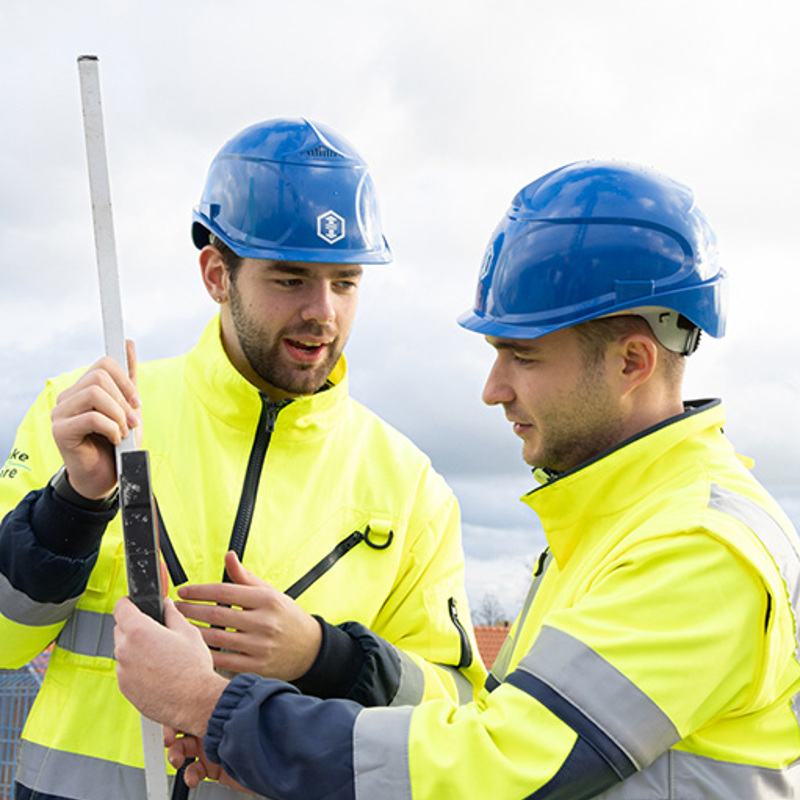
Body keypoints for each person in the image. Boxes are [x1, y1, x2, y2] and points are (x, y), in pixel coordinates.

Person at [115, 160, 800, 799]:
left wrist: (211, 707)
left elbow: (492, 766)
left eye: (521, 355)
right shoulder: (614, 525)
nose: (492, 389)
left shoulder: (700, 545)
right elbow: (481, 727)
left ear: (632, 363)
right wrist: (288, 725)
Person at [0, 117, 484, 800]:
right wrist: (72, 506)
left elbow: (459, 713)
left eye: (345, 282)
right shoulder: (91, 418)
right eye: (291, 279)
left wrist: (324, 658)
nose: (324, 313)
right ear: (215, 274)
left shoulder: (409, 487)